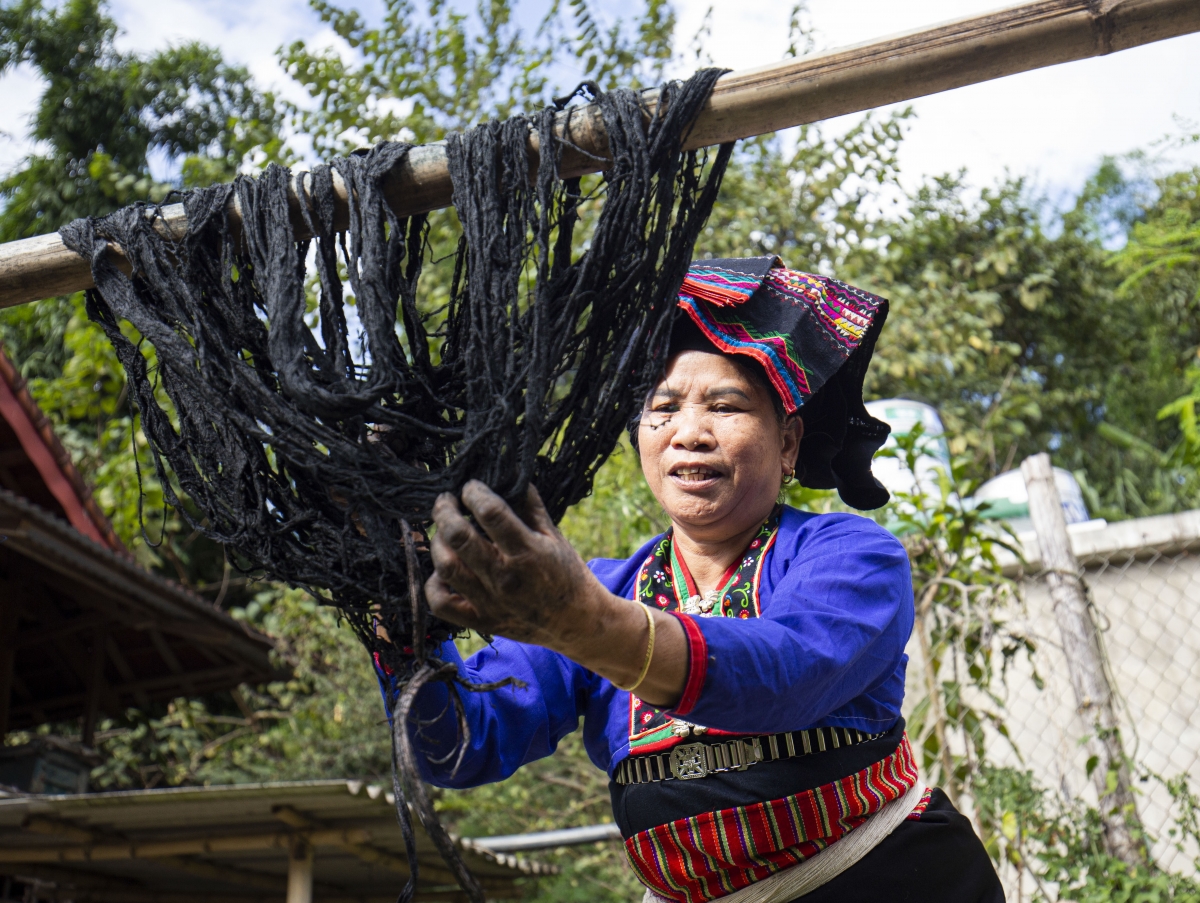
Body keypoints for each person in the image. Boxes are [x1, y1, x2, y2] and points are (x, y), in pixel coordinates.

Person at [393, 257, 1005, 902]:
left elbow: (785, 674)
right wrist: (389, 612)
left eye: (726, 405)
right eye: (663, 408)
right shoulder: (604, 586)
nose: (690, 433)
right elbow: (461, 743)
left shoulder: (848, 554)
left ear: (788, 442)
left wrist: (585, 623)